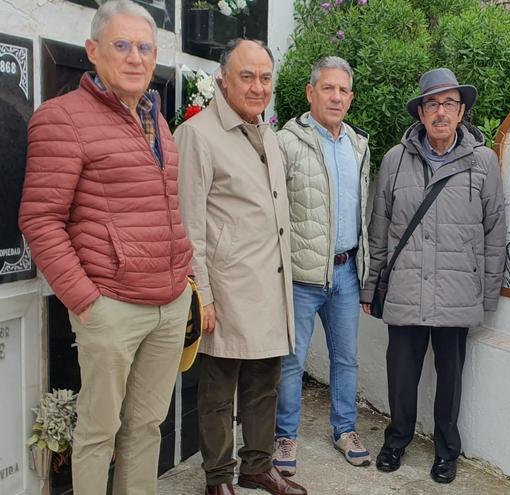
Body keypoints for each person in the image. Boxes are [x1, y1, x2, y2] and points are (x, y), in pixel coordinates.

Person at [18, 1, 193, 493]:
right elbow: (40, 218)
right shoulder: (62, 119)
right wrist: (87, 302)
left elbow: (164, 207)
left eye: (144, 47)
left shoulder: (154, 117)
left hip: (168, 300)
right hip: (111, 305)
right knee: (99, 432)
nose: (135, 57)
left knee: (146, 426)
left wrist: (186, 278)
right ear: (93, 52)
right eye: (122, 45)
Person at [361, 67, 506, 484]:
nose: (440, 112)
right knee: (401, 376)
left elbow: (495, 231)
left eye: (448, 104)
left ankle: (446, 451)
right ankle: (396, 440)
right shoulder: (395, 159)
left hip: (458, 292)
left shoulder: (483, 162)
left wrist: (487, 296)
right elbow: (380, 226)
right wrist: (372, 286)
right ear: (420, 113)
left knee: (451, 381)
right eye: (432, 104)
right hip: (405, 288)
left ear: (461, 112)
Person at [174, 38, 306, 495]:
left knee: (263, 386)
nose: (257, 86)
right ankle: (217, 478)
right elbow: (189, 223)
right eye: (246, 76)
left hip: (269, 286)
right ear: (222, 79)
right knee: (217, 391)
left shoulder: (267, 132)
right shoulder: (198, 135)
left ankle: (257, 466)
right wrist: (202, 294)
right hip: (226, 290)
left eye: (265, 77)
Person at [273, 56, 372, 474]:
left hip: (347, 273)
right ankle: (284, 435)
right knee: (291, 361)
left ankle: (345, 429)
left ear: (350, 97)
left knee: (346, 358)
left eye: (343, 90)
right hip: (301, 274)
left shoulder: (358, 144)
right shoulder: (285, 142)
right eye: (327, 88)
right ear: (310, 92)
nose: (336, 96)